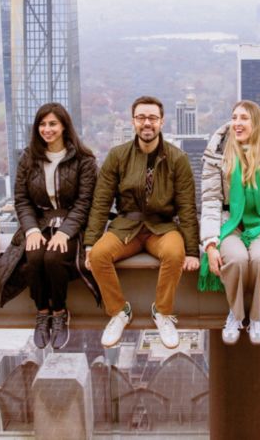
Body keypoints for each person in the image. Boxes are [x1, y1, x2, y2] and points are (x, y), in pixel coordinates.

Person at [83, 96, 200, 349]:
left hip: (163, 226)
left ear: (162, 122)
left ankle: (162, 312)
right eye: (141, 118)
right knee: (99, 256)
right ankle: (118, 312)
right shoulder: (117, 156)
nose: (147, 123)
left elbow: (187, 207)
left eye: (152, 118)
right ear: (133, 121)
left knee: (174, 253)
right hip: (127, 226)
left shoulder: (177, 158)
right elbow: (101, 203)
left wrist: (192, 250)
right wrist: (90, 242)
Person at [0, 103, 101, 350]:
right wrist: (32, 230)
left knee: (54, 258)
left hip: (72, 224)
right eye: (42, 124)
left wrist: (65, 232)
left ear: (64, 126)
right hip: (40, 223)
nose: (47, 129)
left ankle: (60, 312)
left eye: (53, 123)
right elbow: (22, 199)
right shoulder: (28, 158)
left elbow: (86, 201)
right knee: (33, 257)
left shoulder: (84, 160)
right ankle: (42, 312)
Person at [199, 101, 260, 346]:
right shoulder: (217, 155)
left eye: (244, 118)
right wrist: (210, 243)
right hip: (228, 221)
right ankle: (236, 313)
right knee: (237, 260)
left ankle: (256, 315)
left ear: (257, 124)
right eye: (234, 117)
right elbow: (210, 200)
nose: (237, 123)